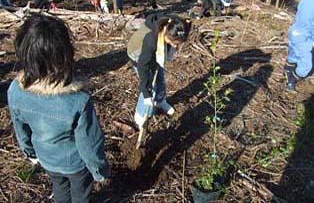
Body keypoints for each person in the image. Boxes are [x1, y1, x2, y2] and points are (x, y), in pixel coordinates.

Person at [7, 14, 109, 203]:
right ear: (65, 54)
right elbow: (90, 143)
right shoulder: (78, 100)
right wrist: (99, 170)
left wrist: (30, 153)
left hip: (47, 159)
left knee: (60, 187)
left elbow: (20, 129)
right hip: (76, 165)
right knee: (81, 194)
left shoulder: (15, 90)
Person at [127, 13, 191, 131]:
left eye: (177, 44)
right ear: (166, 33)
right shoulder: (151, 40)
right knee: (151, 85)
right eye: (173, 43)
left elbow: (188, 23)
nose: (174, 46)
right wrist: (147, 95)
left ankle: (160, 101)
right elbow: (143, 68)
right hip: (138, 53)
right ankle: (140, 116)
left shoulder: (178, 25)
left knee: (160, 76)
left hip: (157, 52)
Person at [285, 0, 314, 92]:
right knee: (306, 65)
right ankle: (291, 82)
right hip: (304, 36)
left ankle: (287, 70)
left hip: (295, 30)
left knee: (294, 53)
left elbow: (300, 13)